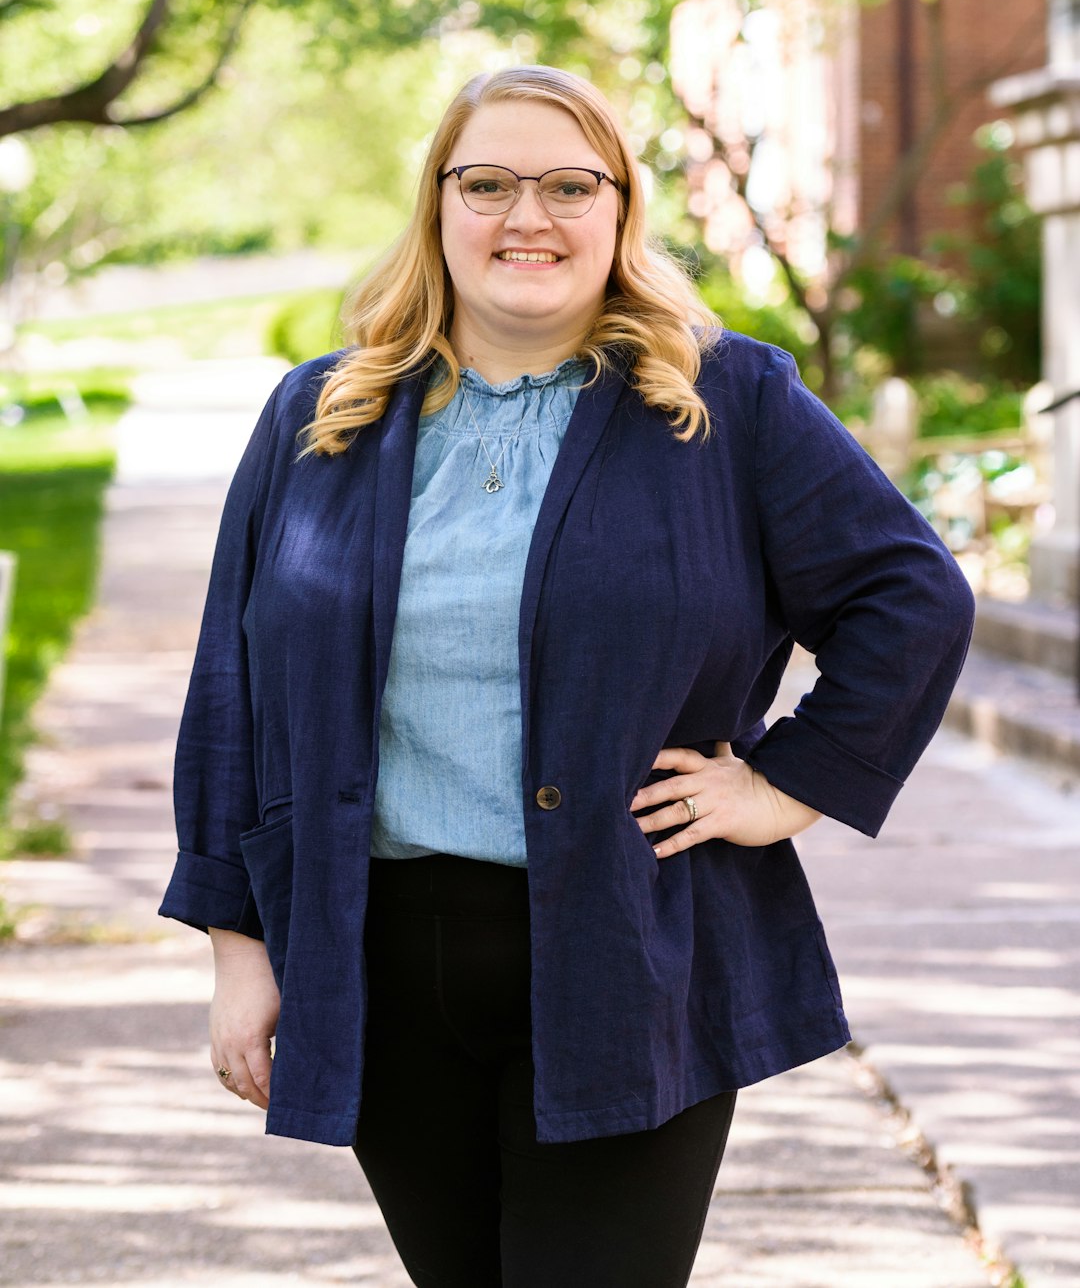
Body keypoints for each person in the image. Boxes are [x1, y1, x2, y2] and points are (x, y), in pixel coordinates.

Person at [158, 63, 976, 1288]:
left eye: (566, 185)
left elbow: (912, 595)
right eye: (486, 183)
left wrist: (786, 783)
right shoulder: (319, 417)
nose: (524, 217)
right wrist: (238, 943)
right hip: (380, 964)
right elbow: (232, 685)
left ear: (620, 208)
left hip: (632, 953)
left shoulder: (725, 400)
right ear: (438, 205)